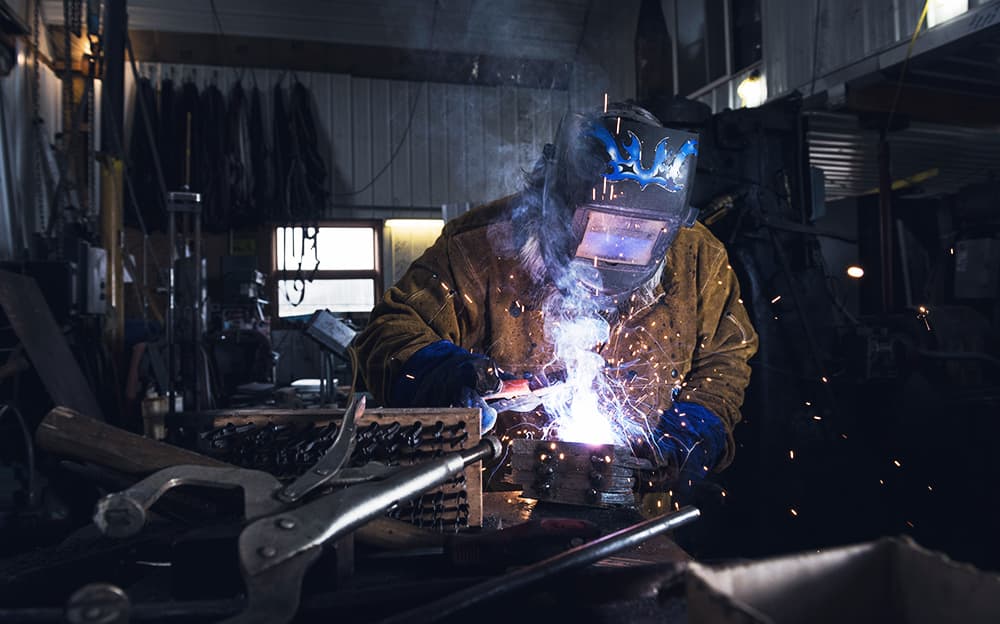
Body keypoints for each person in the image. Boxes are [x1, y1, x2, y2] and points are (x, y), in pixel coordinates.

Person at [352, 102, 758, 489]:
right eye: (602, 228)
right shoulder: (477, 248)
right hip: (503, 504)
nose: (615, 254)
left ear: (668, 229)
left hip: (641, 506)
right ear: (557, 208)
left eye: (640, 235)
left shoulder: (698, 258)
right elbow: (388, 334)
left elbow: (724, 359)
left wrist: (688, 435)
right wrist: (450, 376)